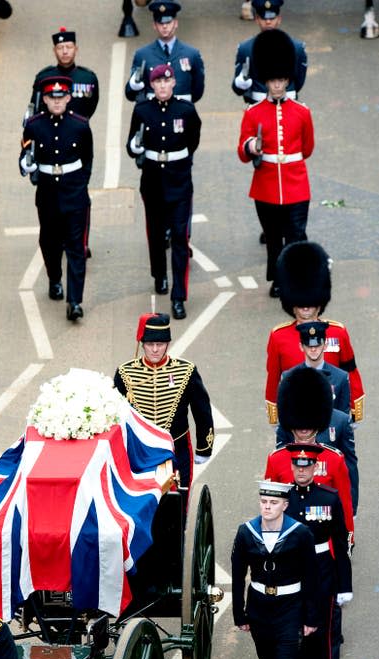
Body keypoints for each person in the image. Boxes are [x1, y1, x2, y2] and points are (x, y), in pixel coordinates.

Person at [231, 481, 318, 659]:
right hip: (259, 609)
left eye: (273, 503)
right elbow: (237, 575)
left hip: (289, 609)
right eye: (263, 502)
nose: (267, 507)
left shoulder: (301, 534)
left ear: (285, 505)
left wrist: (310, 617)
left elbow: (311, 578)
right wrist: (239, 614)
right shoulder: (246, 532)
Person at [237, 29, 314, 297]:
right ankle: (278, 277)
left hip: (296, 185)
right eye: (273, 80)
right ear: (266, 81)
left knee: (295, 236)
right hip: (266, 185)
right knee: (273, 239)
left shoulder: (302, 112)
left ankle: (294, 278)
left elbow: (307, 149)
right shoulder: (253, 113)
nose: (278, 85)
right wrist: (252, 147)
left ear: (287, 79)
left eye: (281, 80)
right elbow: (242, 150)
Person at [284, 443, 352, 659]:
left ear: (314, 468)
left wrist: (343, 585)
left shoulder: (328, 498)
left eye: (306, 466)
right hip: (290, 576)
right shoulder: (282, 498)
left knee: (319, 644)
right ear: (292, 468)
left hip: (321, 575)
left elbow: (339, 543)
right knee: (291, 640)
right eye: (297, 466)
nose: (301, 471)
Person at [126, 63, 201, 320]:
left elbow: (193, 141)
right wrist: (136, 147)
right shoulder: (142, 110)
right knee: (156, 234)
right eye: (157, 82)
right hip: (153, 181)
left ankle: (179, 296)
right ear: (152, 85)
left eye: (166, 82)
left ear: (173, 83)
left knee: (180, 238)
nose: (162, 86)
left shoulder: (186, 110)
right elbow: (131, 144)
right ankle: (159, 274)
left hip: (179, 181)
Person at [265, 241, 365, 424]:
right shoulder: (278, 337)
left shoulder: (338, 332)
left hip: (332, 413)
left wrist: (354, 411)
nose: (305, 307)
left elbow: (350, 371)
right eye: (300, 303)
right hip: (296, 417)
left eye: (310, 302)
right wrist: (275, 415)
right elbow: (273, 378)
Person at [20, 76, 93, 321]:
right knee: (50, 242)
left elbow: (87, 160)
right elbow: (25, 155)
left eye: (61, 97)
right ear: (45, 100)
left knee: (76, 248)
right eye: (52, 97)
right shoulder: (34, 125)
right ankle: (54, 277)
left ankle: (75, 301)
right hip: (48, 192)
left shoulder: (80, 125)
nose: (57, 101)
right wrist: (26, 165)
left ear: (69, 98)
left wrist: (81, 185)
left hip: (74, 193)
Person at [114, 313, 213, 490]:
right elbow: (115, 415)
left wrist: (204, 448)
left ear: (167, 344)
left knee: (178, 502)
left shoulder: (186, 371)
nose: (154, 350)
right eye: (150, 344)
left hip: (177, 448)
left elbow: (202, 410)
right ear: (142, 344)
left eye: (160, 344)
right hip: (139, 453)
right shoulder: (125, 373)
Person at [265, 366, 355, 543]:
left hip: (324, 545)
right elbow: (269, 506)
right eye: (298, 424)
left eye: (307, 423)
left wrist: (347, 540)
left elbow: (345, 505)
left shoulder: (335, 460)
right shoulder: (275, 460)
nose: (303, 429)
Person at [125, 1, 204, 105]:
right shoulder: (142, 55)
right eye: (160, 23)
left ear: (176, 23)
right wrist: (134, 85)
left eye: (168, 22)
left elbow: (198, 89)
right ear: (154, 25)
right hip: (153, 115)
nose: (165, 27)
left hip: (181, 114)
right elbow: (130, 93)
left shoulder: (192, 54)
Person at [232, 0, 307, 106]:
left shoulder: (297, 48)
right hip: (257, 108)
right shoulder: (245, 49)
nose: (268, 22)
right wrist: (241, 84)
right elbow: (237, 89)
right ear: (257, 19)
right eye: (263, 18)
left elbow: (298, 81)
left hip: (288, 107)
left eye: (272, 18)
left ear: (279, 19)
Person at [282, 321, 351, 417]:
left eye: (317, 345)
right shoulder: (288, 378)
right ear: (301, 346)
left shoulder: (341, 377)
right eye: (308, 345)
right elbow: (285, 415)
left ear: (325, 345)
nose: (313, 349)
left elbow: (343, 418)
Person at [30, 27, 99, 121]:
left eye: (69, 47)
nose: (65, 52)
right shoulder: (43, 77)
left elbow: (91, 107)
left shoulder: (88, 78)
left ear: (76, 49)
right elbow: (35, 109)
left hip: (78, 131)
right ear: (54, 51)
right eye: (60, 48)